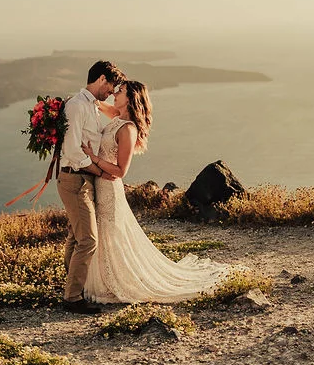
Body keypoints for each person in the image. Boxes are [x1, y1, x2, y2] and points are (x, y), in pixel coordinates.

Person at [80, 80, 235, 303]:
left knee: (111, 233)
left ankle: (114, 281)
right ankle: (102, 278)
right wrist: (76, 100)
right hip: (100, 183)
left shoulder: (128, 129)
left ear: (131, 99)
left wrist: (92, 157)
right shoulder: (117, 117)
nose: (115, 93)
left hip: (109, 188)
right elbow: (97, 104)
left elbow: (121, 170)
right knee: (102, 233)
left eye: (120, 91)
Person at [55, 60, 124, 314]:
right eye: (111, 86)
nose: (111, 92)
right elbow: (73, 151)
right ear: (101, 79)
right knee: (88, 240)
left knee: (76, 237)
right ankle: (73, 298)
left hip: (84, 178)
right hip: (74, 178)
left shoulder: (92, 106)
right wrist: (100, 171)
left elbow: (118, 115)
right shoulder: (77, 106)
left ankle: (72, 288)